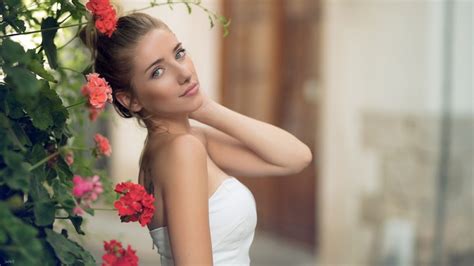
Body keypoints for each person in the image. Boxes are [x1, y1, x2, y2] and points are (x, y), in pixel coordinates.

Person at [80, 11, 312, 266]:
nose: (184, 73)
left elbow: (296, 157)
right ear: (130, 99)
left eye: (179, 53)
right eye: (157, 71)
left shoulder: (184, 142)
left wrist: (205, 108)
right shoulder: (183, 150)